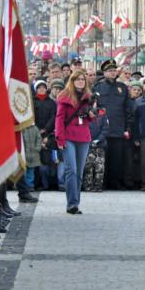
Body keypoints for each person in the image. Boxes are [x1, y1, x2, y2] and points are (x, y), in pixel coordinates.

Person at [55, 70, 95, 214]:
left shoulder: (89, 97)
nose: (80, 81)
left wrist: (92, 115)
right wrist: (59, 138)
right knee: (71, 170)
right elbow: (59, 119)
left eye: (82, 79)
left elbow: (92, 120)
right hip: (68, 136)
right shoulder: (64, 97)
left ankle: (75, 203)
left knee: (79, 172)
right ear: (72, 81)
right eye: (77, 79)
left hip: (83, 136)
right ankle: (71, 204)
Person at [94, 59, 133, 190]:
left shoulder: (122, 88)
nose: (112, 73)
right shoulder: (98, 87)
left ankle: (115, 182)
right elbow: (94, 108)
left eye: (114, 70)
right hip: (103, 129)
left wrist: (127, 128)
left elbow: (127, 109)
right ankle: (102, 182)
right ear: (104, 73)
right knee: (102, 157)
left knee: (117, 158)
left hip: (118, 128)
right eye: (109, 71)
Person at [83, 98, 109, 192]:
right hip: (88, 145)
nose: (93, 104)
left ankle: (98, 186)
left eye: (94, 102)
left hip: (100, 145)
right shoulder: (84, 115)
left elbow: (105, 129)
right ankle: (88, 186)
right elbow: (83, 129)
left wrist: (98, 140)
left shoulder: (102, 114)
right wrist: (90, 141)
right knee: (88, 167)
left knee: (100, 167)